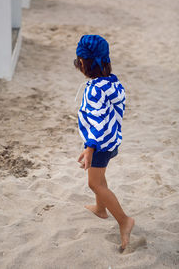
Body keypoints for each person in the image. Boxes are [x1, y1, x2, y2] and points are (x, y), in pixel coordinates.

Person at [74, 35, 135, 251]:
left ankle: (124, 220)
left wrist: (89, 148)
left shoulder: (94, 90)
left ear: (83, 64)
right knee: (99, 176)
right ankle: (101, 208)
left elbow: (97, 122)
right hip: (111, 140)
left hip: (99, 143)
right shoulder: (113, 83)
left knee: (94, 183)